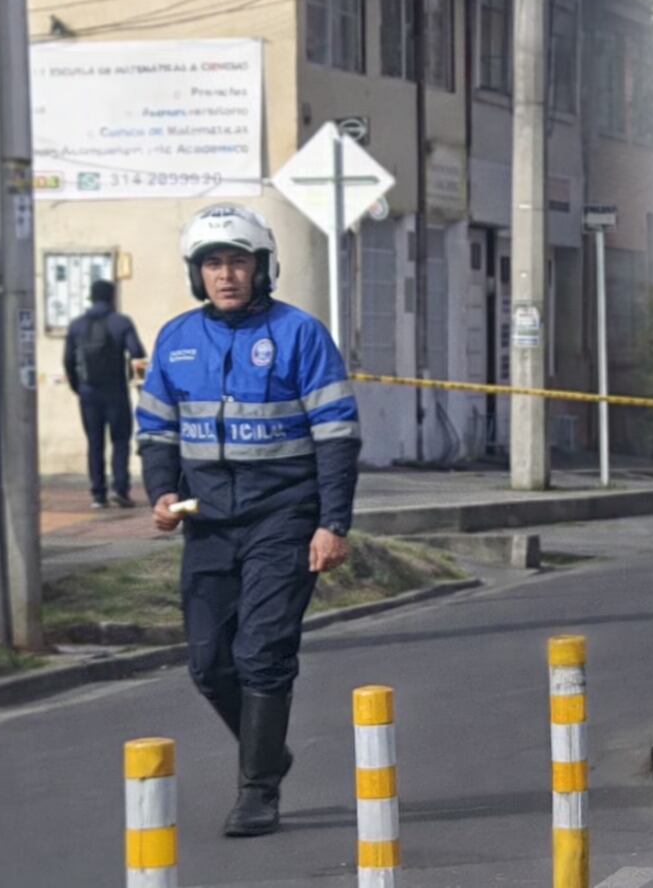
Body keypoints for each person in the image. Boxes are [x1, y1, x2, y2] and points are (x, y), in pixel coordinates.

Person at [135, 204, 362, 837]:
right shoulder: (176, 339)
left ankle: (257, 790)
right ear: (196, 274)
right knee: (209, 664)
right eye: (213, 263)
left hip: (285, 514)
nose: (226, 275)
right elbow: (157, 430)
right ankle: (269, 746)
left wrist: (332, 523)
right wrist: (162, 494)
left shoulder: (301, 334)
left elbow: (338, 435)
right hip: (206, 517)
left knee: (262, 651)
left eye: (237, 261)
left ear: (262, 268)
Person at [63, 278, 146, 508]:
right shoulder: (121, 322)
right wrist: (137, 383)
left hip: (88, 393)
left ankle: (97, 494)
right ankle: (120, 489)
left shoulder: (77, 325)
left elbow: (68, 360)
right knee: (120, 441)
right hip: (116, 391)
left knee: (94, 442)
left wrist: (78, 387)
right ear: (112, 297)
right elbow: (137, 353)